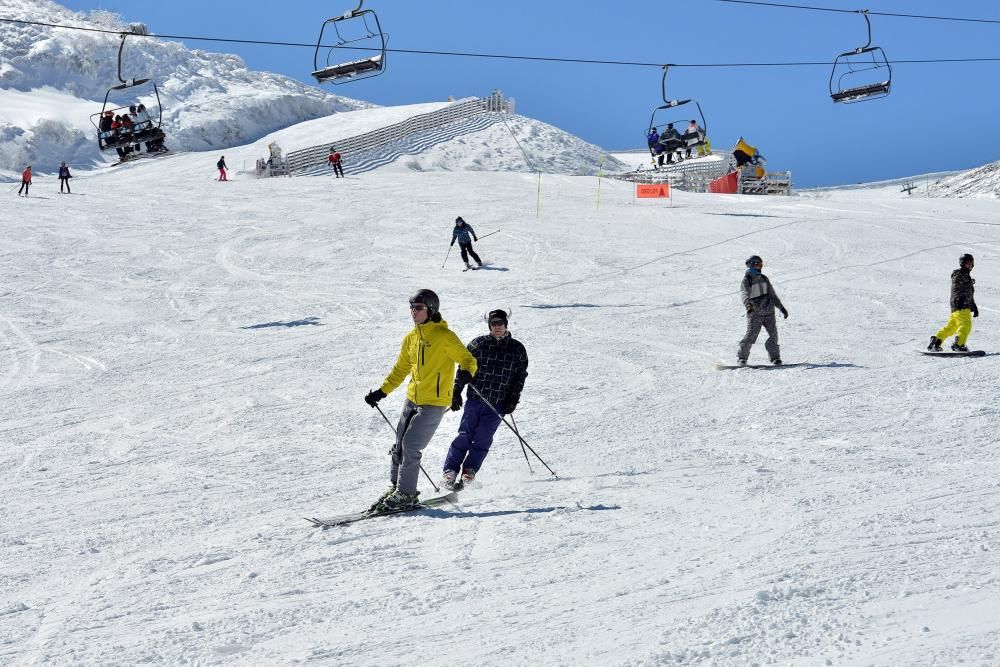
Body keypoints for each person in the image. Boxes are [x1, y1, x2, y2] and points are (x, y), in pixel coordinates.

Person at [364, 289, 478, 510]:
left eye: (419, 308)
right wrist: (382, 391)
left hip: (433, 402)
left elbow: (467, 359)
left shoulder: (444, 336)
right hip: (412, 399)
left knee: (411, 445)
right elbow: (400, 369)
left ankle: (406, 494)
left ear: (431, 309)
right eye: (412, 307)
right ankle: (397, 487)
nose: (413, 312)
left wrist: (463, 376)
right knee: (399, 445)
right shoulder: (411, 338)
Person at [442, 309, 528, 489]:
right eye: (494, 324)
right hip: (475, 399)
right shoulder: (478, 344)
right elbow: (463, 368)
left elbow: (520, 377)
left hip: (497, 404)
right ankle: (450, 472)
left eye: (500, 324)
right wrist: (456, 391)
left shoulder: (517, 349)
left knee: (483, 438)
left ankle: (469, 471)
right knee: (465, 435)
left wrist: (512, 399)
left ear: (506, 325)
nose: (497, 327)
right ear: (489, 325)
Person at [738, 255, 788, 365]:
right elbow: (745, 294)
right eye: (758, 264)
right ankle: (742, 357)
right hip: (755, 312)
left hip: (769, 311)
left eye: (761, 264)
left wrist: (781, 308)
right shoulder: (747, 280)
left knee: (773, 335)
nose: (760, 267)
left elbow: (772, 295)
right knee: (751, 335)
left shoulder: (764, 278)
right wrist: (748, 306)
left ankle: (775, 358)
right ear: (752, 265)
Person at [928, 254, 978, 352]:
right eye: (967, 263)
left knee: (951, 327)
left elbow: (967, 292)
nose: (970, 266)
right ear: (962, 263)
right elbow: (956, 288)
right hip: (961, 304)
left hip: (957, 305)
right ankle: (959, 344)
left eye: (971, 264)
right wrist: (959, 299)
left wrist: (974, 306)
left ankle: (936, 342)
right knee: (966, 325)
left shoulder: (965, 276)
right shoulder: (960, 274)